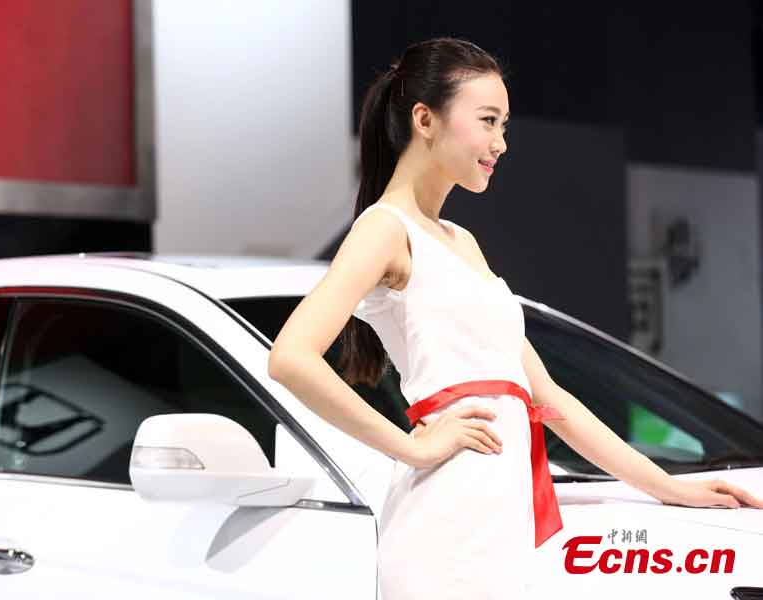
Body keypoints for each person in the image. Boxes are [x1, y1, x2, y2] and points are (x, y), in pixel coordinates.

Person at [267, 37, 763, 599]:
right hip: (444, 518)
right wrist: (410, 447)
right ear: (425, 119)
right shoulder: (385, 229)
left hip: (502, 518)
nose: (500, 143)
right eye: (487, 122)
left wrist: (670, 488)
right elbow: (290, 358)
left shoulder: (463, 242)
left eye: (504, 125)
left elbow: (550, 401)